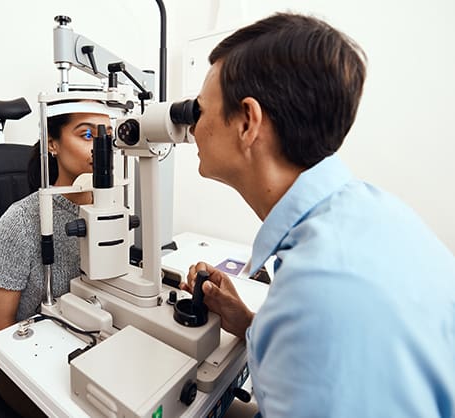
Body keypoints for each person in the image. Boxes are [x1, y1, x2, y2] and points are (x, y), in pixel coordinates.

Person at [180, 13, 455, 418]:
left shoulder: (319, 295)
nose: (193, 128)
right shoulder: (367, 210)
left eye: (199, 111)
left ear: (247, 122)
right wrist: (253, 324)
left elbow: (325, 333)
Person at [0, 107, 111, 418]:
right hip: (27, 364)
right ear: (52, 143)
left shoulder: (113, 211)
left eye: (109, 136)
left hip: (94, 347)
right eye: (88, 134)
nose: (103, 147)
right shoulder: (21, 221)